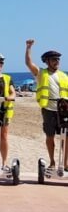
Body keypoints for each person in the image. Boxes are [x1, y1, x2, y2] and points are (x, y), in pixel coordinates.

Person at [25, 39, 68, 171]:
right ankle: (52, 162)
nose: (57, 62)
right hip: (48, 109)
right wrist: (28, 48)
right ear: (47, 61)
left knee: (65, 137)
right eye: (54, 59)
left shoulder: (64, 76)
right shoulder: (41, 73)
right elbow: (28, 63)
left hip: (64, 110)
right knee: (50, 137)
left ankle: (65, 164)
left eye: (58, 60)